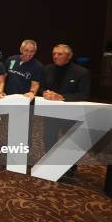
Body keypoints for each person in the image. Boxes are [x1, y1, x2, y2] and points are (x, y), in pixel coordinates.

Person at [40, 44, 90, 177]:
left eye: (59, 54)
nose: (55, 56)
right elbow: (42, 87)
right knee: (48, 137)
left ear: (69, 56)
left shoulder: (81, 72)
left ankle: (70, 167)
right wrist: (44, 93)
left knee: (69, 140)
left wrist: (62, 97)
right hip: (50, 111)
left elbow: (84, 94)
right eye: (54, 54)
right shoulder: (48, 69)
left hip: (71, 113)